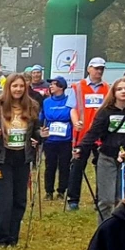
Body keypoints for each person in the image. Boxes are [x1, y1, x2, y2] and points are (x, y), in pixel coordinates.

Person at [71, 77, 125, 217]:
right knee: (106, 200)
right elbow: (93, 133)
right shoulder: (105, 112)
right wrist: (80, 147)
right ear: (114, 92)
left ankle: (123, 229)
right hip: (107, 157)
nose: (123, 92)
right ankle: (105, 230)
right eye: (119, 89)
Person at [0, 74, 39, 247]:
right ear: (9, 88)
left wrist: (40, 137)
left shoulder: (32, 106)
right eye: (15, 86)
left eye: (21, 86)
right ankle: (0, 238)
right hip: (3, 156)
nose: (18, 89)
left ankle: (13, 238)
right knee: (4, 200)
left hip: (22, 157)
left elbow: (35, 131)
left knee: (19, 199)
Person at [39, 77, 75, 207]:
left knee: (64, 166)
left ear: (61, 87)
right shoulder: (47, 102)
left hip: (65, 139)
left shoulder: (69, 101)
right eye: (51, 84)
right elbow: (41, 116)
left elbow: (72, 117)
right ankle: (49, 191)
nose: (51, 86)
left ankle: (61, 190)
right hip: (50, 139)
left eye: (54, 84)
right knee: (50, 165)